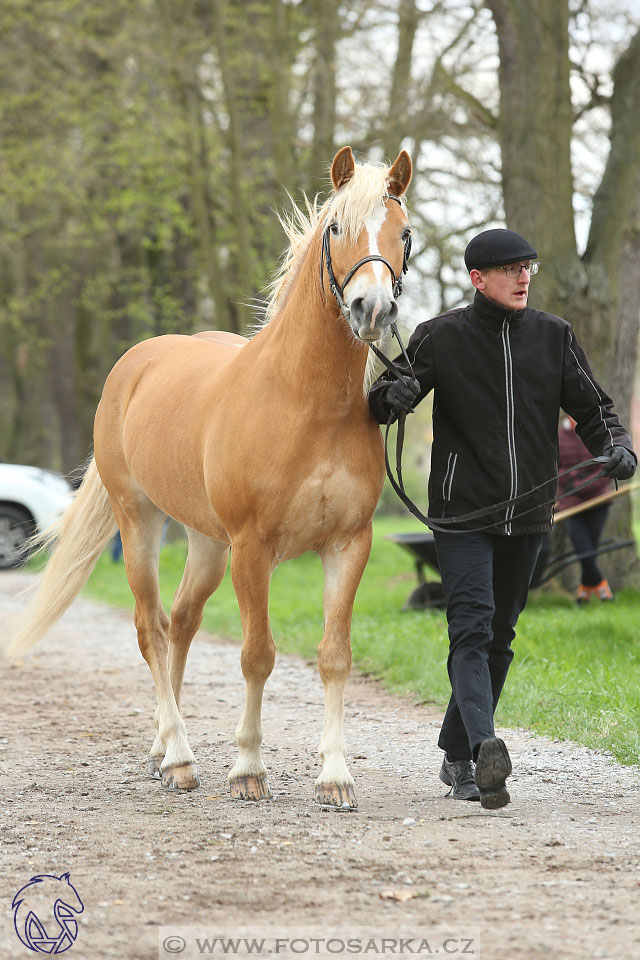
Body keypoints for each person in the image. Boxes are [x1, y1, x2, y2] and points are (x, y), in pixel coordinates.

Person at [368, 228, 636, 810]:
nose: (523, 278)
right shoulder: (440, 337)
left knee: (499, 636)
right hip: (462, 513)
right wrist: (394, 395)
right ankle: (482, 752)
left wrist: (618, 445)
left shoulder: (553, 336)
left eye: (528, 268)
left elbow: (594, 410)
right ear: (478, 279)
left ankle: (454, 748)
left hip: (532, 515)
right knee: (471, 627)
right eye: (511, 269)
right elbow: (382, 401)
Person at [558, 416, 614, 603]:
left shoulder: (596, 433)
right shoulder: (558, 436)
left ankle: (584, 592)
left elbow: (605, 468)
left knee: (590, 549)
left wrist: (580, 481)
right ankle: (602, 587)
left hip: (598, 500)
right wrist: (579, 479)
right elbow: (557, 471)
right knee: (584, 549)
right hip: (570, 504)